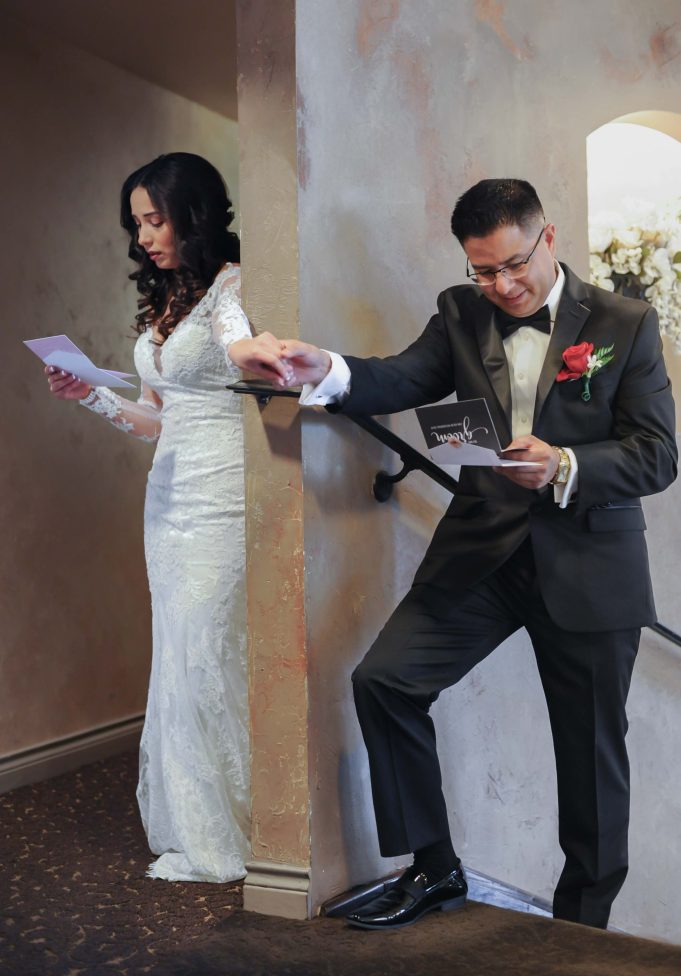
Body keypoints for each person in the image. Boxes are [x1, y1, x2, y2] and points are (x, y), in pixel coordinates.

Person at [230, 179, 677, 928]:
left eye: (511, 266)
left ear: (548, 239)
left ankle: (579, 933)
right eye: (483, 271)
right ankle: (434, 870)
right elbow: (400, 378)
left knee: (590, 760)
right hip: (481, 558)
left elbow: (658, 454)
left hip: (588, 566)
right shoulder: (459, 311)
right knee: (384, 681)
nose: (500, 285)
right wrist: (324, 371)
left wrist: (565, 466)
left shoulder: (623, 323)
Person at [45, 152, 283, 883]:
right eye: (137, 222)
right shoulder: (165, 300)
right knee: (179, 656)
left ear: (195, 213)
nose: (145, 235)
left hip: (222, 499)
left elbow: (238, 340)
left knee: (211, 651)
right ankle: (195, 824)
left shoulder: (230, 285)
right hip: (169, 498)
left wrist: (252, 352)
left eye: (156, 218)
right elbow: (155, 419)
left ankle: (255, 827)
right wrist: (86, 394)